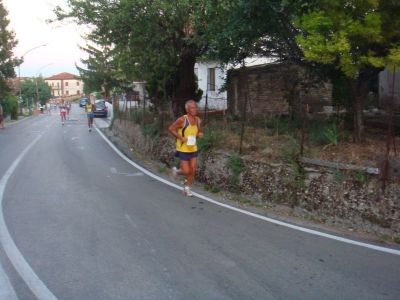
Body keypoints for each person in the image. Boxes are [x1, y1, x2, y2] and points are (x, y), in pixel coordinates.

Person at [168, 100, 203, 196]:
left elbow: (198, 131)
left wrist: (200, 134)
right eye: (192, 107)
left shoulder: (198, 120)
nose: (195, 109)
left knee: (193, 169)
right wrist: (181, 138)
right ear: (187, 110)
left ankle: (187, 189)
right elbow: (171, 128)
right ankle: (176, 171)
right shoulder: (182, 120)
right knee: (186, 171)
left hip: (193, 148)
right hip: (183, 148)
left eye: (195, 107)